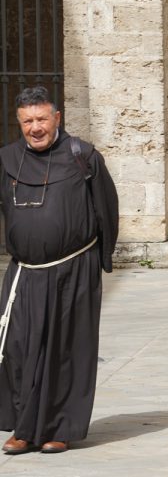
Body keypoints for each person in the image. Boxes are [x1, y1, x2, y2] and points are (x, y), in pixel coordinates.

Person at [0, 86, 119, 454]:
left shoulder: (83, 157)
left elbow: (107, 210)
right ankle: (24, 427)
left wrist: (101, 262)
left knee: (66, 350)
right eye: (27, 121)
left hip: (74, 270)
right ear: (19, 123)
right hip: (24, 272)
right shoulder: (6, 160)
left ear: (56, 118)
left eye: (41, 119)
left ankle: (60, 428)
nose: (35, 128)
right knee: (18, 348)